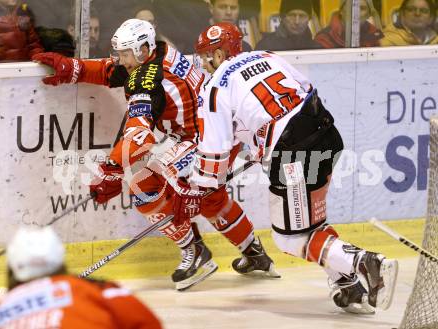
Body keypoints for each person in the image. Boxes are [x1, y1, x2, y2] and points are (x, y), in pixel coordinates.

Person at [32, 19, 277, 291]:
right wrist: (74, 68)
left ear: (142, 49)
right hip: (221, 134)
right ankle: (254, 254)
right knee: (210, 198)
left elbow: (139, 135)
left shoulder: (146, 79)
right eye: (121, 52)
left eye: (126, 53)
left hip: (203, 140)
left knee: (142, 186)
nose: (121, 60)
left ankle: (195, 252)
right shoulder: (160, 52)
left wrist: (111, 171)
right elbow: (112, 71)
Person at [174, 22, 399, 314]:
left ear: (219, 53)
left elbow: (214, 155)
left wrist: (199, 191)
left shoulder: (214, 87)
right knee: (309, 223)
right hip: (326, 134)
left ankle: (365, 262)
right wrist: (264, 139)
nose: (204, 62)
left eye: (207, 55)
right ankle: (348, 286)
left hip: (293, 152)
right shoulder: (266, 56)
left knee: (290, 238)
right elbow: (305, 91)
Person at [0, 226, 162, 328]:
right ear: (60, 258)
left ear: (12, 266)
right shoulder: (100, 292)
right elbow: (149, 324)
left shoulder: (3, 307)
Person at [314, 0, 383, 48]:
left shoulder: (375, 36)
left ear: (368, 15)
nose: (355, 13)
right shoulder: (324, 39)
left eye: (362, 8)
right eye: (351, 7)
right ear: (341, 11)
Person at [256, 0, 321, 51]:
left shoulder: (317, 49)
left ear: (309, 19)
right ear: (282, 17)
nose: (297, 22)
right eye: (292, 15)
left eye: (302, 16)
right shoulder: (265, 46)